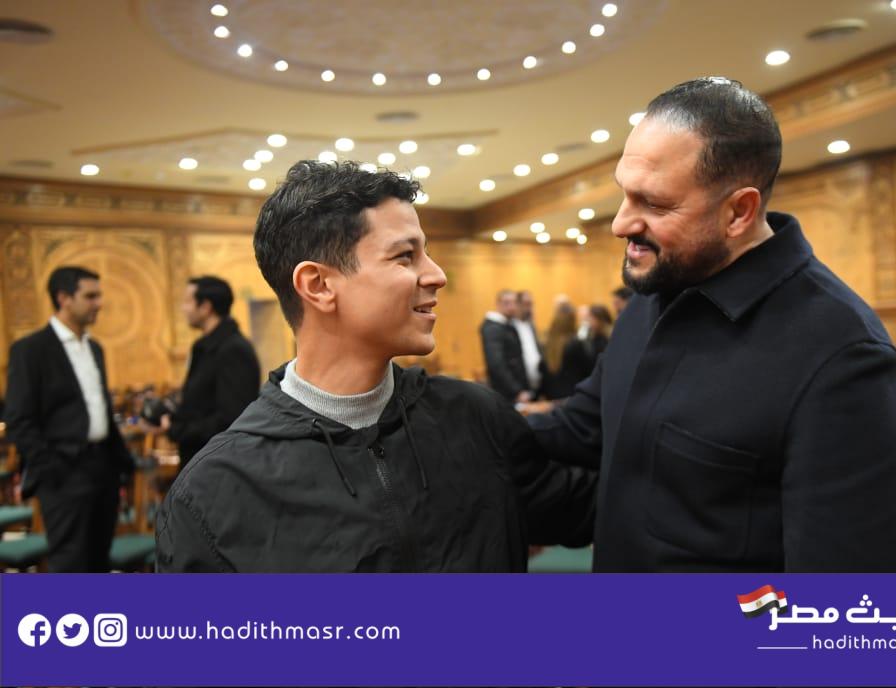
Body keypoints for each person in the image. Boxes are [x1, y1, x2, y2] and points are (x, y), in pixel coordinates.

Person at [528, 77, 896, 573]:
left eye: (655, 204)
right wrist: (448, 419)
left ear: (739, 211)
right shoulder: (653, 295)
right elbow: (582, 429)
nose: (621, 224)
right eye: (624, 195)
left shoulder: (842, 360)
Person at [155, 161, 594, 573]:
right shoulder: (214, 490)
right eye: (405, 256)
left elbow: (595, 507)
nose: (437, 275)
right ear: (318, 285)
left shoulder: (475, 419)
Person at [4, 266, 135, 572]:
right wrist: (51, 470)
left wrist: (121, 464)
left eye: (98, 296)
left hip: (103, 468)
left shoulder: (95, 348)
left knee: (99, 561)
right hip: (63, 473)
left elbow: (98, 410)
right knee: (71, 564)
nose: (99, 303)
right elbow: (19, 419)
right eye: (90, 296)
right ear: (63, 298)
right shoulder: (31, 350)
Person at [161, 275, 261, 468]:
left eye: (187, 302)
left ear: (206, 307)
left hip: (218, 464)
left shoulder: (234, 349)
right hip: (200, 459)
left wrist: (177, 430)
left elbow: (232, 418)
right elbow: (199, 404)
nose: (183, 308)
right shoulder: (203, 346)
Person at [479, 290, 533, 403]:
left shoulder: (508, 325)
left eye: (514, 303)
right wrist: (516, 391)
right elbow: (496, 364)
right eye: (506, 303)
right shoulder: (493, 328)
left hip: (518, 391)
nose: (511, 307)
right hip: (507, 394)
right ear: (498, 304)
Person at [513, 290, 544, 398]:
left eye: (531, 304)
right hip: (520, 386)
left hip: (537, 382)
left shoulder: (531, 324)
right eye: (526, 304)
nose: (529, 308)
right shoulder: (510, 327)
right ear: (517, 305)